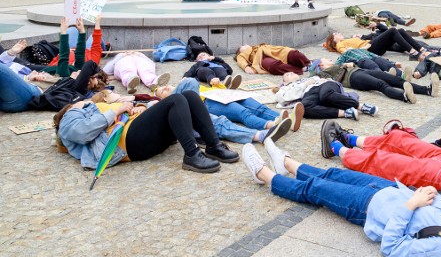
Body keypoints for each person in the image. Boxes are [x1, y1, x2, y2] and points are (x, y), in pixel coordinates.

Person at [241, 143, 441, 257]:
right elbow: (440, 201)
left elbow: (393, 248)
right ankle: (287, 163)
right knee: (333, 173)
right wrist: (424, 193)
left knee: (316, 189)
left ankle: (264, 175)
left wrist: (411, 205)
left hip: (368, 207)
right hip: (388, 189)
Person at [55, 88, 239, 173]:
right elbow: (81, 132)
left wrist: (139, 107)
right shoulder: (70, 116)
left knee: (189, 95)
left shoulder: (93, 108)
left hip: (135, 134)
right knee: (175, 99)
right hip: (125, 143)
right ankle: (192, 154)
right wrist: (117, 109)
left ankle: (213, 145)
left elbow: (129, 111)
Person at [159, 79, 293, 145]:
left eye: (167, 86)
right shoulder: (180, 100)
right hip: (208, 103)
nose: (166, 87)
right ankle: (271, 125)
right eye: (162, 91)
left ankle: (286, 119)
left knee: (257, 106)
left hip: (221, 94)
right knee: (243, 113)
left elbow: (221, 87)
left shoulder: (193, 87)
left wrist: (217, 84)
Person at [316, 58, 436, 104]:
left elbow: (354, 62)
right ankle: (404, 96)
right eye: (326, 59)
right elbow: (325, 78)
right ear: (321, 64)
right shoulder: (324, 71)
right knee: (381, 85)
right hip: (353, 78)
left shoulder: (336, 65)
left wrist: (348, 64)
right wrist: (343, 66)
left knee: (395, 79)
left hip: (361, 71)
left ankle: (426, 90)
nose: (330, 59)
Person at [324, 30, 429, 59]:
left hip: (373, 46)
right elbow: (346, 52)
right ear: (333, 40)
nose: (339, 33)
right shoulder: (339, 45)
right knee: (392, 30)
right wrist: (364, 48)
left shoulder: (345, 41)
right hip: (370, 48)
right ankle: (412, 51)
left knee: (400, 30)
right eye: (336, 34)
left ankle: (420, 48)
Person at [103, 50, 170, 94]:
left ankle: (154, 81)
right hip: (124, 60)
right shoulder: (121, 57)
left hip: (140, 60)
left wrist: (139, 54)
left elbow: (152, 64)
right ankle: (130, 82)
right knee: (127, 69)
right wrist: (122, 55)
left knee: (146, 70)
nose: (130, 51)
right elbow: (106, 70)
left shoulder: (140, 57)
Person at [235, 43, 312, 76]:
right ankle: (301, 69)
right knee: (273, 66)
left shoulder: (257, 46)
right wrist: (246, 67)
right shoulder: (241, 55)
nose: (245, 45)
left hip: (271, 50)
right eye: (243, 46)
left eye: (245, 44)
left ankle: (309, 63)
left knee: (293, 53)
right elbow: (240, 61)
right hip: (260, 59)